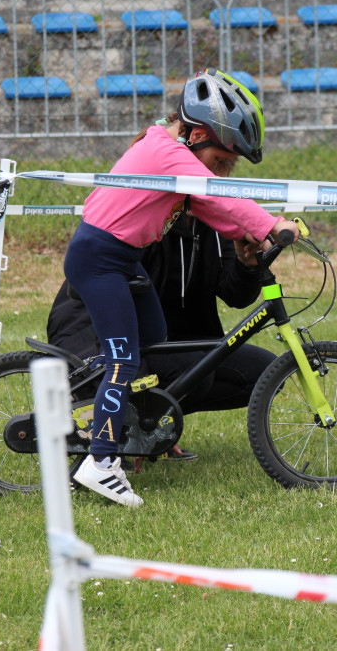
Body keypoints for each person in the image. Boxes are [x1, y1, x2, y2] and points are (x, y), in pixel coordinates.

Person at [63, 68, 298, 509]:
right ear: (195, 135)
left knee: (155, 347)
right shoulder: (165, 151)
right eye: (222, 160)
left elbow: (214, 210)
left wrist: (259, 237)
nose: (224, 171)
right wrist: (270, 223)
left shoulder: (173, 154)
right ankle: (101, 462)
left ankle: (130, 423)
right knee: (125, 359)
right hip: (99, 260)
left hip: (123, 260)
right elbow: (220, 197)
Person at [46, 213, 278, 461]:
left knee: (266, 371)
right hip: (96, 334)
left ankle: (153, 426)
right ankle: (122, 428)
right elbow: (114, 303)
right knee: (195, 373)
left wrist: (247, 264)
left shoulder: (213, 225)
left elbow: (235, 295)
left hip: (169, 339)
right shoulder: (147, 219)